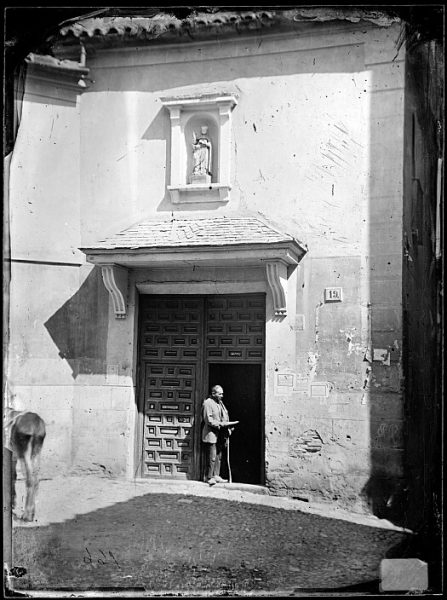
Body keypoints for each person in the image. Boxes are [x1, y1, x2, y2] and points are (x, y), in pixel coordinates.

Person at [201, 385, 235, 486]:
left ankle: (216, 475)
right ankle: (209, 477)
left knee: (218, 456)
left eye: (222, 394)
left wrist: (228, 426)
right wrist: (221, 424)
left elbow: (223, 416)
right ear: (213, 393)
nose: (222, 396)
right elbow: (209, 420)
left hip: (219, 434)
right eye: (220, 394)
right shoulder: (208, 403)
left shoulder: (220, 403)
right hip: (211, 434)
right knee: (212, 456)